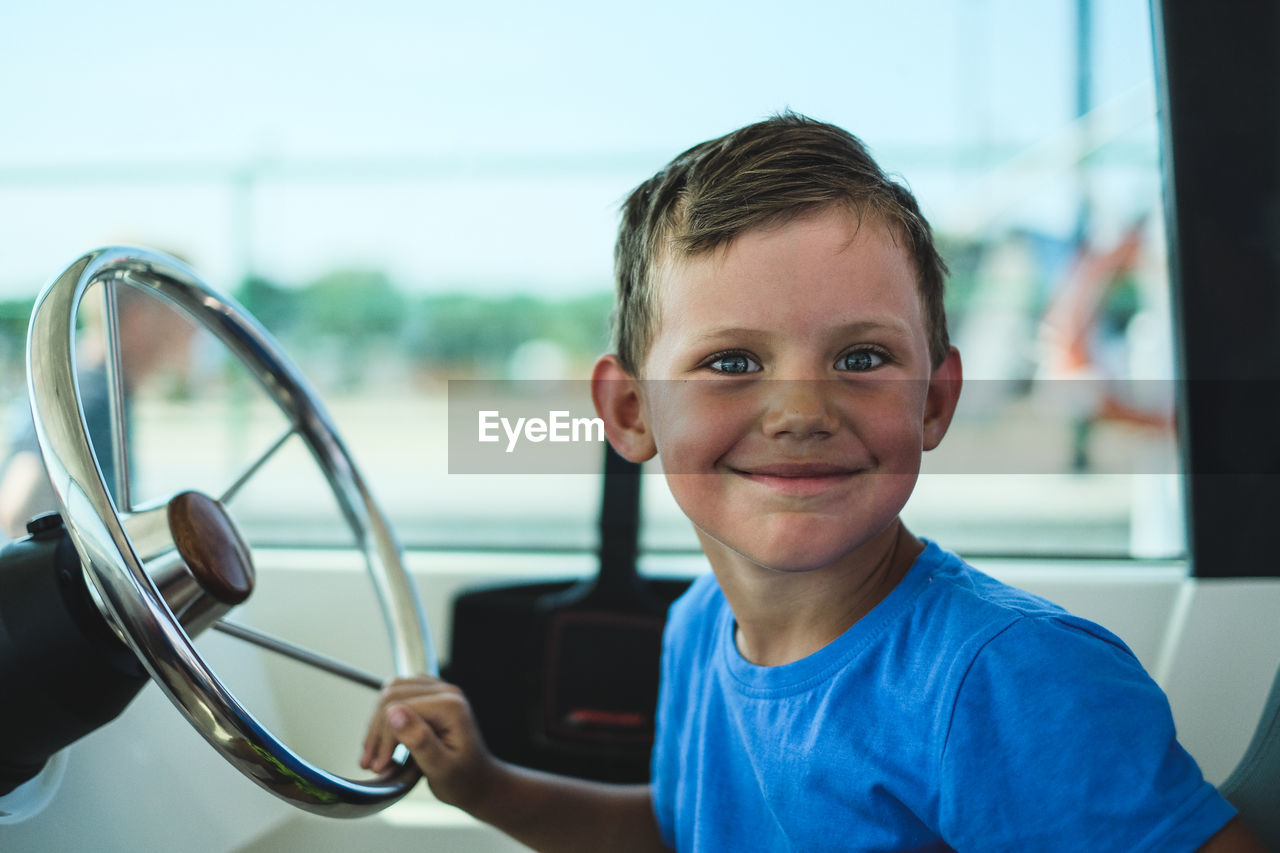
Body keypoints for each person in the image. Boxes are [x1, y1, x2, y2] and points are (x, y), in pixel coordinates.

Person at [361, 114, 1261, 851]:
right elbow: (682, 835)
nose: (800, 409)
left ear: (936, 400)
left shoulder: (1013, 680)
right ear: (632, 411)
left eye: (861, 357)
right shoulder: (698, 624)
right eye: (733, 360)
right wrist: (484, 784)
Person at [0, 282, 194, 538]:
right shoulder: (93, 397)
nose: (195, 329)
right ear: (139, 318)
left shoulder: (84, 380)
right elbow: (20, 514)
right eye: (184, 310)